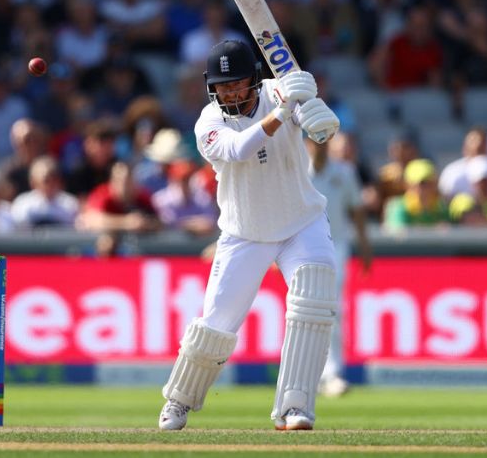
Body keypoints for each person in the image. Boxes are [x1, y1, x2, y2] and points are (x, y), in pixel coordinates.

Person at [158, 40, 340, 431]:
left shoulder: (282, 89)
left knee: (314, 296)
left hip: (301, 221)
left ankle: (295, 407)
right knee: (217, 323)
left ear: (255, 80)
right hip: (245, 232)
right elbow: (240, 148)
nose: (231, 94)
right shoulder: (208, 122)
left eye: (237, 85)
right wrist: (285, 110)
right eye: (223, 88)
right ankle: (179, 401)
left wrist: (310, 101)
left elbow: (325, 131)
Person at [305, 137, 372, 397]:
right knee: (306, 310)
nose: (319, 146)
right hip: (303, 248)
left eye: (323, 141)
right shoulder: (296, 169)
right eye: (314, 140)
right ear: (306, 143)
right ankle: (309, 373)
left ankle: (332, 373)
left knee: (331, 309)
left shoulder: (344, 172)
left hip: (336, 247)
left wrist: (365, 246)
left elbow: (356, 210)